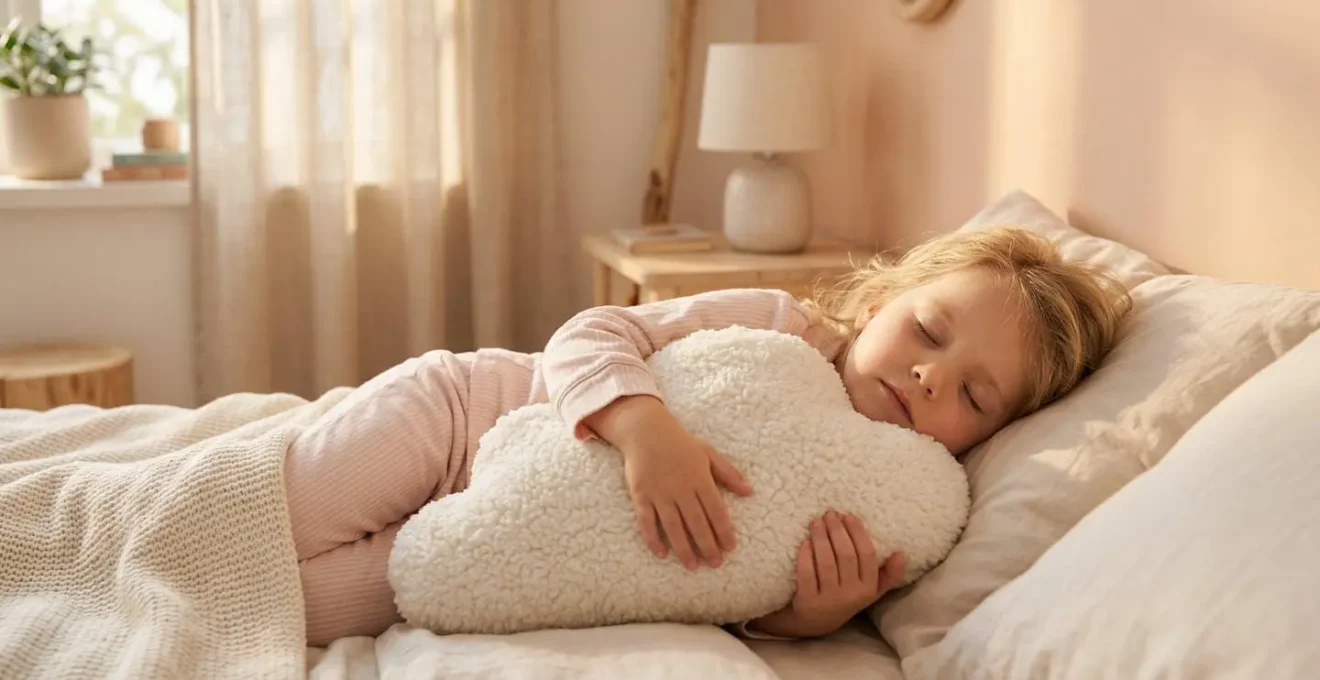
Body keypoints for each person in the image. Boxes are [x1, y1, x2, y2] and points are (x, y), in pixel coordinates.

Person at [284, 226, 1131, 646]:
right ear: (878, 306)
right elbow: (591, 331)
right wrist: (644, 427)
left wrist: (807, 619)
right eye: (929, 333)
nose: (931, 377)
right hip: (464, 418)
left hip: (498, 536)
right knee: (274, 518)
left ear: (992, 434)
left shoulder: (894, 502)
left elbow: (718, 589)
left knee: (295, 608)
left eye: (975, 395)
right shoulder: (776, 327)